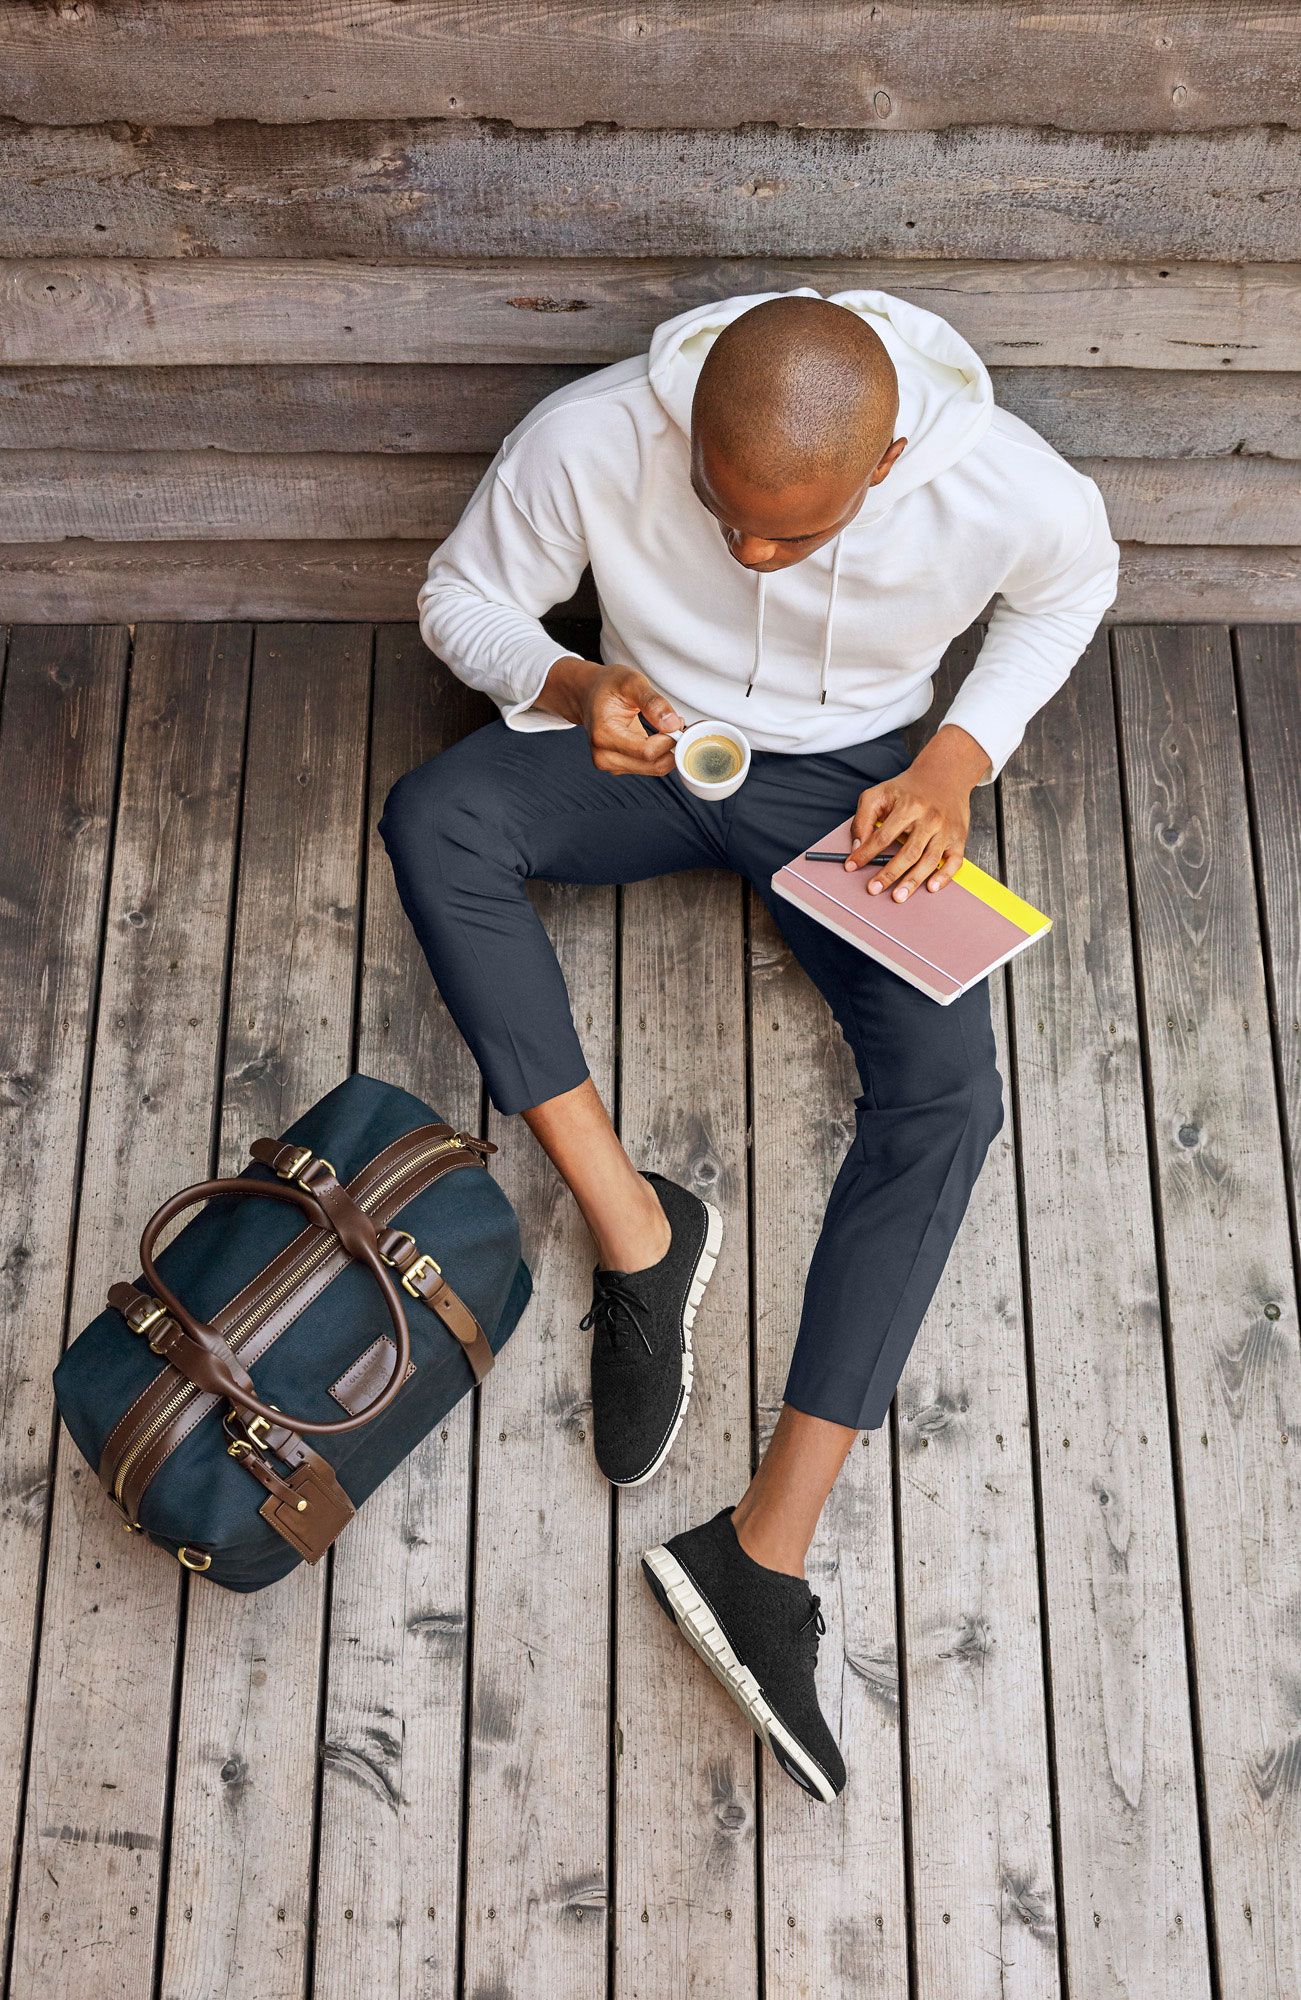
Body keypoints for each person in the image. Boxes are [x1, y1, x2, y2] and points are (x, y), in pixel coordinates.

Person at [380, 288, 1119, 1801]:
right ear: (690, 436)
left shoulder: (1009, 484)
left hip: (852, 795)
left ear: (891, 458)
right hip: (647, 751)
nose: (755, 558)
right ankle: (639, 1231)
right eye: (727, 520)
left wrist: (955, 760)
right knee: (436, 819)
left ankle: (758, 1553)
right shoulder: (592, 431)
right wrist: (575, 682)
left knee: (948, 1098)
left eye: (796, 536)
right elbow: (460, 598)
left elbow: (1070, 590)